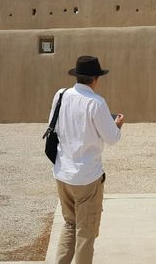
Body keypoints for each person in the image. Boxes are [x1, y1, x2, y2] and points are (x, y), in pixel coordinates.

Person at [49, 56, 124, 264]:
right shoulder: (96, 103)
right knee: (85, 233)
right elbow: (112, 138)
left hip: (63, 173)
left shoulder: (60, 95)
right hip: (87, 177)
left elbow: (52, 128)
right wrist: (117, 124)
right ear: (95, 79)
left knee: (70, 225)